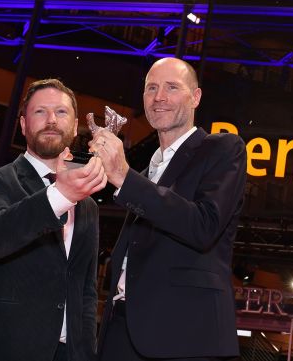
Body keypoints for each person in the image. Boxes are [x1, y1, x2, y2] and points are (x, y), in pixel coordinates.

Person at [0, 79, 107, 361]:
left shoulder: (87, 205)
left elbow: (85, 290)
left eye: (61, 112)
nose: (51, 120)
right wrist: (60, 195)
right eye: (40, 112)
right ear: (23, 125)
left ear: (76, 125)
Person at [92, 57, 246, 361]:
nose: (159, 97)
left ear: (196, 97)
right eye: (151, 88)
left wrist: (123, 176)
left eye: (172, 87)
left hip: (182, 334)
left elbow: (203, 225)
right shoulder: (151, 164)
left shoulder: (223, 149)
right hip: (121, 329)